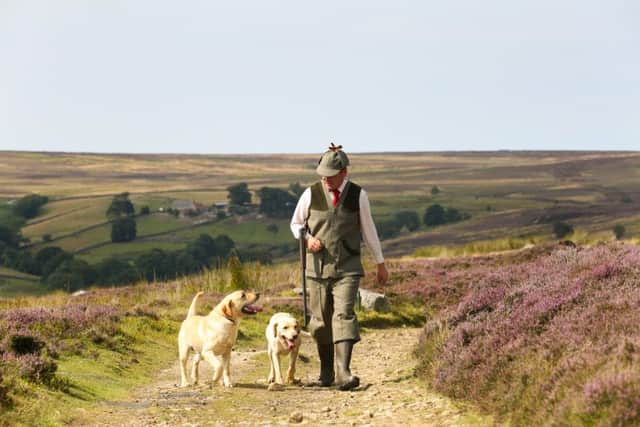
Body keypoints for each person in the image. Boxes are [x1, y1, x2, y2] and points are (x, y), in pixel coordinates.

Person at [290, 143, 388, 391]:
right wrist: (308, 239)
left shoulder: (358, 195)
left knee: (343, 315)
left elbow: (369, 231)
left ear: (344, 172)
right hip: (317, 270)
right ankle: (326, 373)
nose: (325, 179)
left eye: (330, 175)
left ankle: (344, 373)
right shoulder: (310, 193)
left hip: (348, 267)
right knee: (321, 321)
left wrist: (380, 263)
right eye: (322, 174)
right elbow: (295, 224)